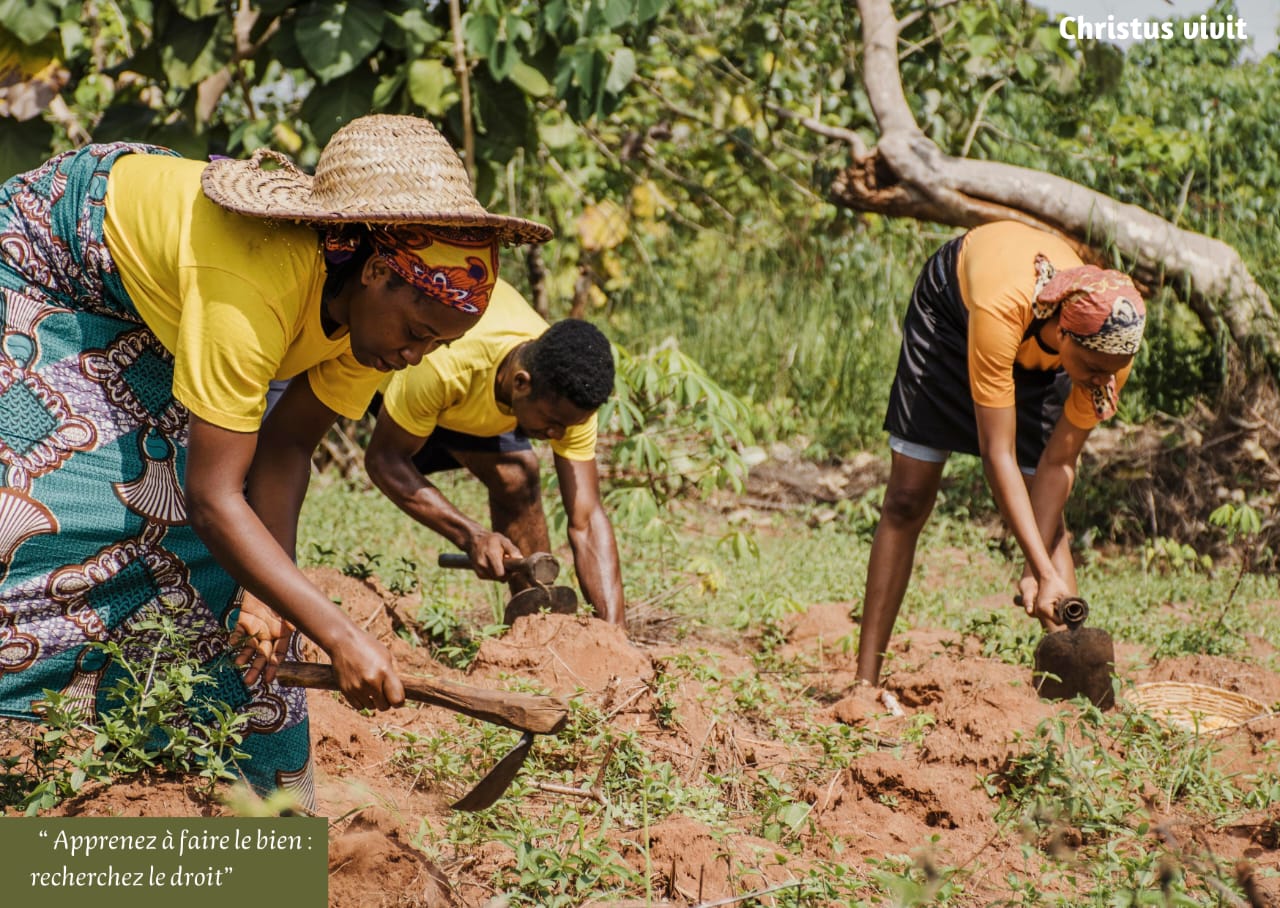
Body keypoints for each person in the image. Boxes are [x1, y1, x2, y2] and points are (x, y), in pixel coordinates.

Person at [0, 114, 551, 806]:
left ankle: (267, 824)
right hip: (48, 265)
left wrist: (271, 598)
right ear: (377, 272)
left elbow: (286, 448)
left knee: (244, 590)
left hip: (163, 302)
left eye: (436, 346)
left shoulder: (369, 322)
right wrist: (339, 633)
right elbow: (215, 499)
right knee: (55, 519)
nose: (416, 357)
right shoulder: (254, 283)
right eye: (417, 333)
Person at [856, 220, 1145, 689]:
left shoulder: (1109, 354)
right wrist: (1042, 569)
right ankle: (864, 685)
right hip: (953, 320)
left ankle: (1076, 698)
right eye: (1093, 370)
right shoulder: (1002, 308)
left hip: (1042, 348)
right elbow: (998, 454)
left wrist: (1037, 569)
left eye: (1111, 373)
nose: (1101, 382)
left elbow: (1059, 463)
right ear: (1064, 333)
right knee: (908, 497)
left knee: (1049, 526)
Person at [364, 291, 626, 628]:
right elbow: (384, 460)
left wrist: (616, 634)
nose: (558, 434)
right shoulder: (446, 367)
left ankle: (535, 628)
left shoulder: (570, 395)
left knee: (517, 479)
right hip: (402, 388)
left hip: (468, 401)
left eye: (567, 425)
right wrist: (472, 536)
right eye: (552, 423)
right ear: (521, 383)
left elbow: (587, 519)